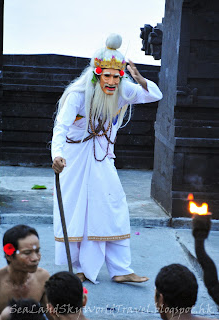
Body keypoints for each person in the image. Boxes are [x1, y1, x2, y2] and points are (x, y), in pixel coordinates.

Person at [51, 33, 163, 284]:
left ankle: (121, 269)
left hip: (102, 161)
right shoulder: (78, 94)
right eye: (107, 76)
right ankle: (77, 268)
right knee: (75, 211)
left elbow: (156, 95)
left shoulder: (123, 90)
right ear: (96, 75)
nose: (112, 81)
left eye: (116, 76)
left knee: (115, 209)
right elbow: (60, 127)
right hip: (74, 160)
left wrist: (139, 78)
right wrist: (56, 155)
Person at [0, 225, 50, 316]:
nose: (35, 258)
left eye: (37, 251)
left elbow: (53, 316)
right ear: (9, 256)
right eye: (27, 253)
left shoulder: (43, 278)